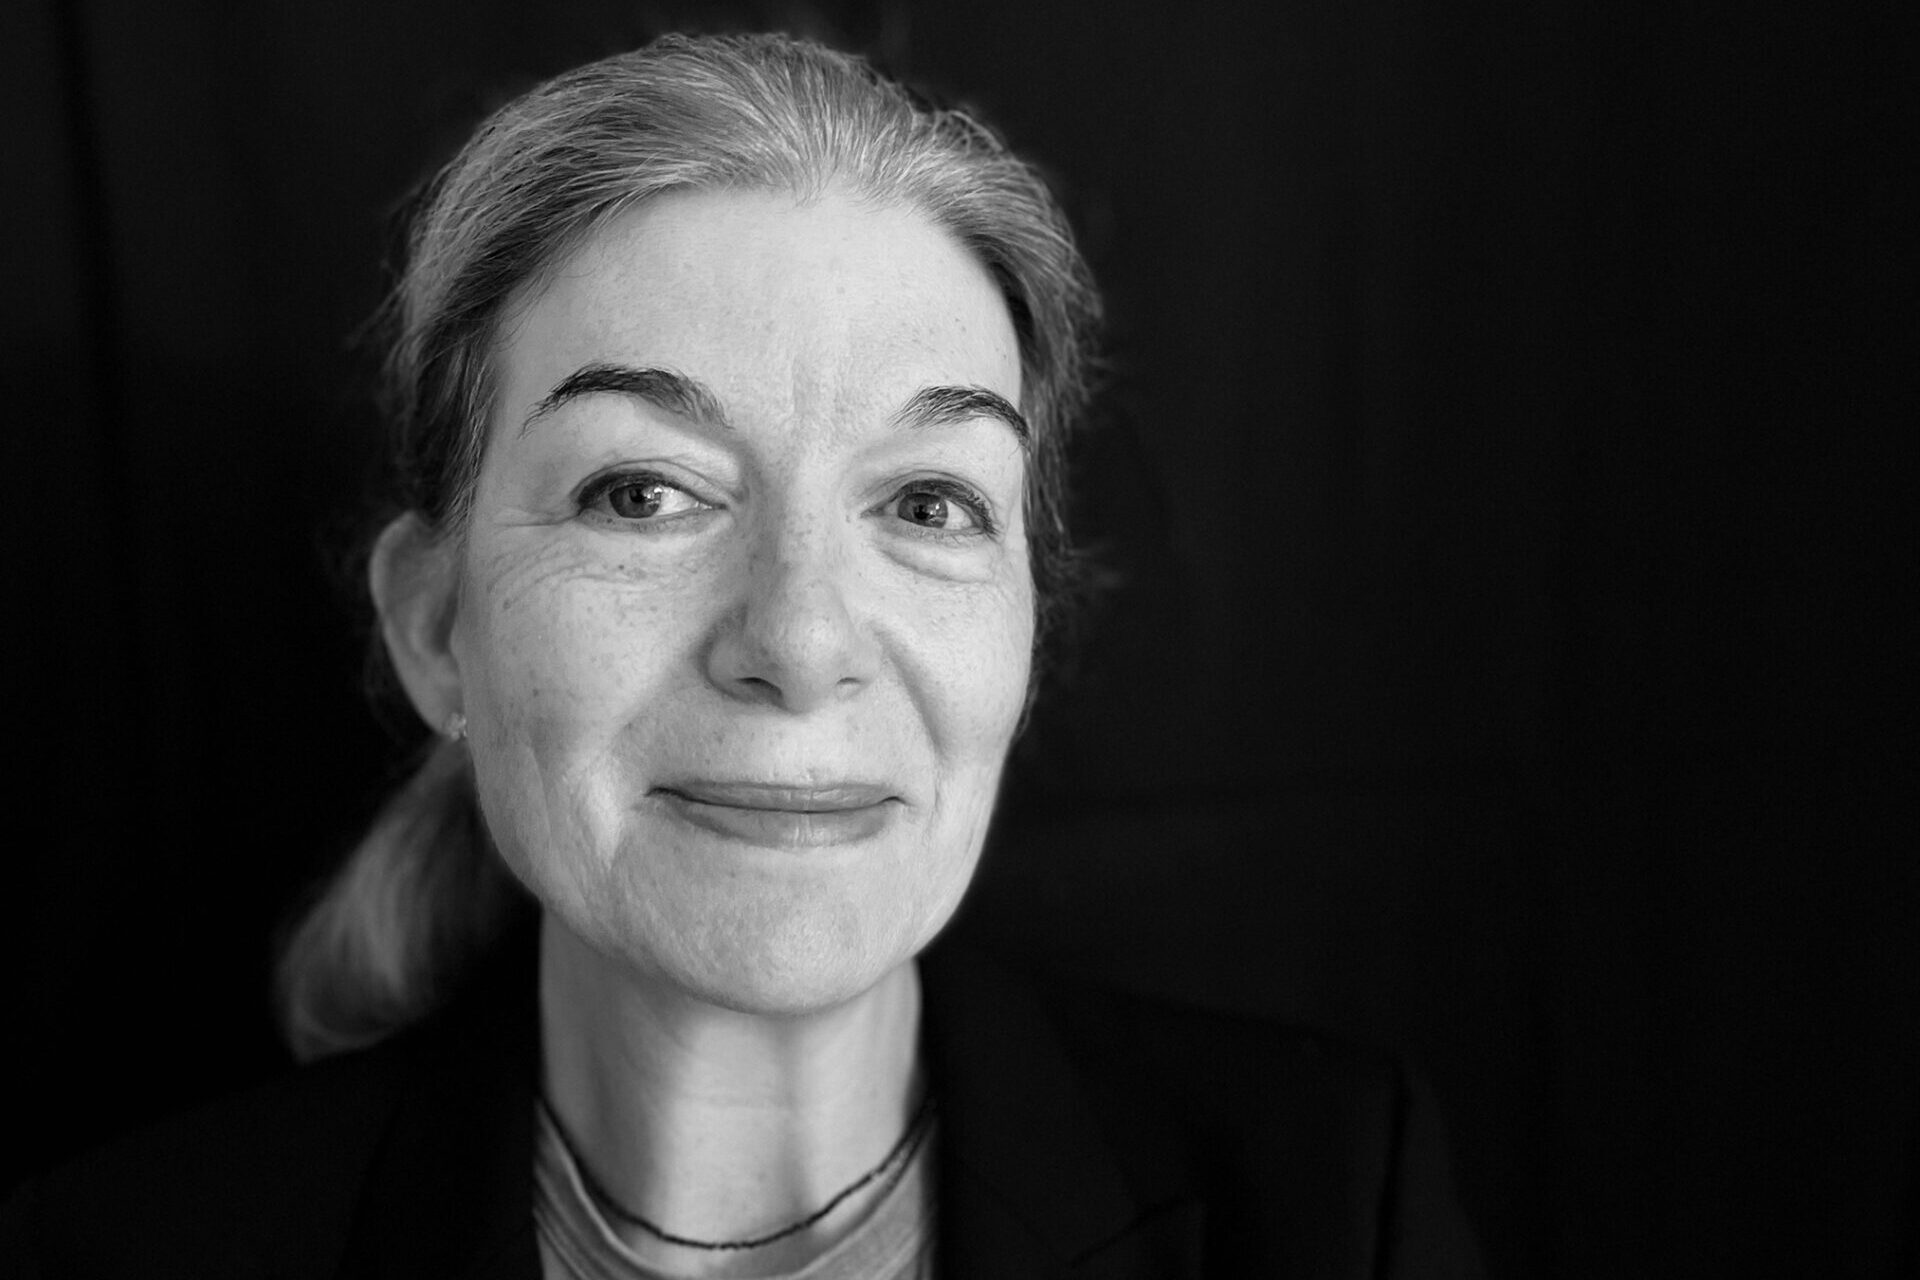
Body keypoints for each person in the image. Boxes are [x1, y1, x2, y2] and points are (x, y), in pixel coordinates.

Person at [0, 32, 1484, 1279]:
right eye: (642, 493)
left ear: (1028, 627)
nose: (801, 640)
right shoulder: (115, 1256)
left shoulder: (1332, 1206)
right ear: (438, 630)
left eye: (927, 503)